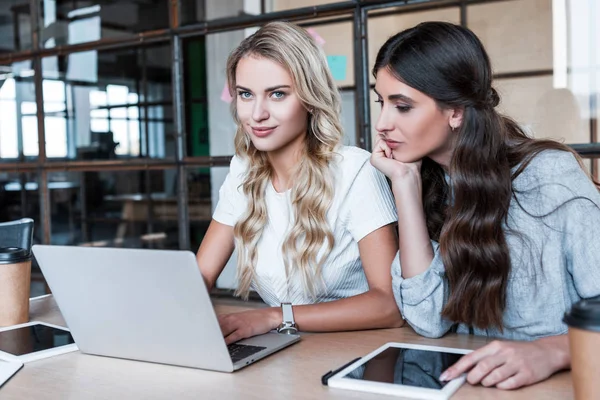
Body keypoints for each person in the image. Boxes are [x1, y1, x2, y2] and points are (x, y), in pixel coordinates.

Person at [370, 21, 600, 390]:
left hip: (558, 385)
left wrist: (553, 351)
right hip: (473, 384)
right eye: (381, 102)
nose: (382, 123)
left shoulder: (546, 176)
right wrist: (405, 185)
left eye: (402, 106)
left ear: (456, 111)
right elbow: (428, 321)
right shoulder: (423, 179)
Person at [196, 21, 402, 345]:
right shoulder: (243, 171)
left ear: (309, 97)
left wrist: (276, 316)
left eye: (277, 94)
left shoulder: (355, 170)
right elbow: (201, 276)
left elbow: (389, 305)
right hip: (282, 351)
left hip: (354, 353)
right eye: (245, 94)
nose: (257, 114)